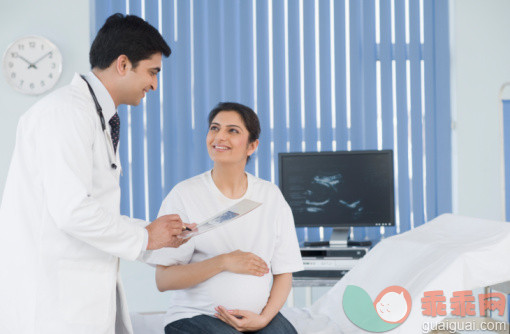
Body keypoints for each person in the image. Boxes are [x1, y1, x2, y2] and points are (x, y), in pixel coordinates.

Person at [0, 13, 192, 334]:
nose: (155, 84)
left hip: (79, 298)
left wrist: (152, 234)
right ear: (122, 64)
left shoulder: (93, 115)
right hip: (51, 308)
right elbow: (72, 211)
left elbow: (93, 210)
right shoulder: (65, 113)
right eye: (152, 72)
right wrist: (146, 236)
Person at [145, 102, 304, 333]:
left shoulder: (269, 196)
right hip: (195, 317)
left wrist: (262, 319)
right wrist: (224, 261)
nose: (219, 136)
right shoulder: (185, 195)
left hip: (257, 318)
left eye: (232, 130)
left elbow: (284, 272)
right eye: (214, 128)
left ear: (252, 146)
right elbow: (164, 280)